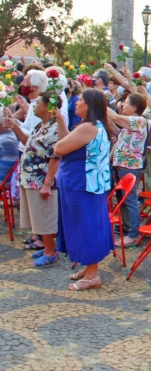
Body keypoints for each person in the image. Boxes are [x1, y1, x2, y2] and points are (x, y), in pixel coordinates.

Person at [54, 89, 114, 291]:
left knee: (86, 228)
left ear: (88, 105)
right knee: (82, 226)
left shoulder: (88, 127)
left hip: (82, 185)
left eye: (80, 100)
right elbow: (67, 142)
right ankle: (88, 269)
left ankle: (92, 275)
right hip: (82, 183)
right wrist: (61, 121)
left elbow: (59, 149)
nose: (76, 103)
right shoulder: (90, 126)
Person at [6, 93, 61, 267]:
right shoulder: (41, 125)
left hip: (40, 179)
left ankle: (50, 252)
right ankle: (46, 247)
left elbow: (54, 157)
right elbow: (30, 144)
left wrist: (47, 184)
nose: (34, 106)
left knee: (44, 216)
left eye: (38, 103)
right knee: (37, 216)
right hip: (30, 178)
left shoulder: (54, 128)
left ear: (47, 107)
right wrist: (15, 127)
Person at [107, 93, 148, 246]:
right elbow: (119, 134)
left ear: (134, 107)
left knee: (129, 199)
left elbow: (116, 119)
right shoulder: (130, 124)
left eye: (125, 103)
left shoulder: (139, 121)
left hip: (129, 165)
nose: (122, 105)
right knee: (122, 199)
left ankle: (133, 233)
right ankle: (127, 227)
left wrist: (99, 102)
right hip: (122, 164)